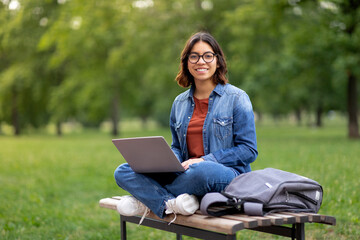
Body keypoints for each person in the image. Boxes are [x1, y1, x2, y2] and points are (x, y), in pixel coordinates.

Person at [114, 32, 258, 222]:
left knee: (202, 171)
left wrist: (206, 159)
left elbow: (249, 150)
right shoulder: (179, 103)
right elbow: (178, 147)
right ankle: (170, 202)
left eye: (208, 55)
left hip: (225, 174)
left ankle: (148, 200)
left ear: (218, 61)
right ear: (186, 62)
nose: (201, 61)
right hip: (186, 172)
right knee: (123, 171)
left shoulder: (238, 98)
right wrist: (167, 162)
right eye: (194, 56)